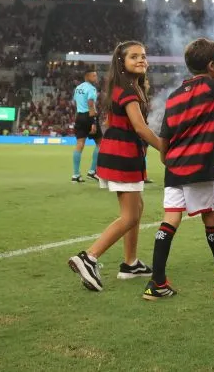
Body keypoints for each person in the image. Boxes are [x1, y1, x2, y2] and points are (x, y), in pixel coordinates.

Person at [142, 38, 214, 301]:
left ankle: (157, 282)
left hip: (175, 168)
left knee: (169, 220)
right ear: (212, 66)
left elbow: (165, 136)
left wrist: (166, 158)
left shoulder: (175, 95)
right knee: (211, 218)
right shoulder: (212, 88)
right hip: (200, 166)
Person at [68, 41, 164, 291]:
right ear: (122, 62)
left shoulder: (125, 87)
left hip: (120, 152)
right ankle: (88, 257)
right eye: (134, 57)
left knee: (137, 207)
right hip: (123, 155)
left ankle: (130, 263)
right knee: (130, 215)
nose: (141, 60)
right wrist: (165, 148)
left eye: (143, 56)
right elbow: (140, 127)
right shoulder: (129, 90)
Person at [71, 68, 101, 183]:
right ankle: (92, 172)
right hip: (89, 116)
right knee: (100, 142)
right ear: (87, 77)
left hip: (79, 116)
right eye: (94, 76)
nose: (96, 78)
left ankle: (75, 174)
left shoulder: (78, 88)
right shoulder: (91, 89)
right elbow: (90, 104)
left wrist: (77, 118)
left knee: (79, 144)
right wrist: (93, 121)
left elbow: (76, 103)